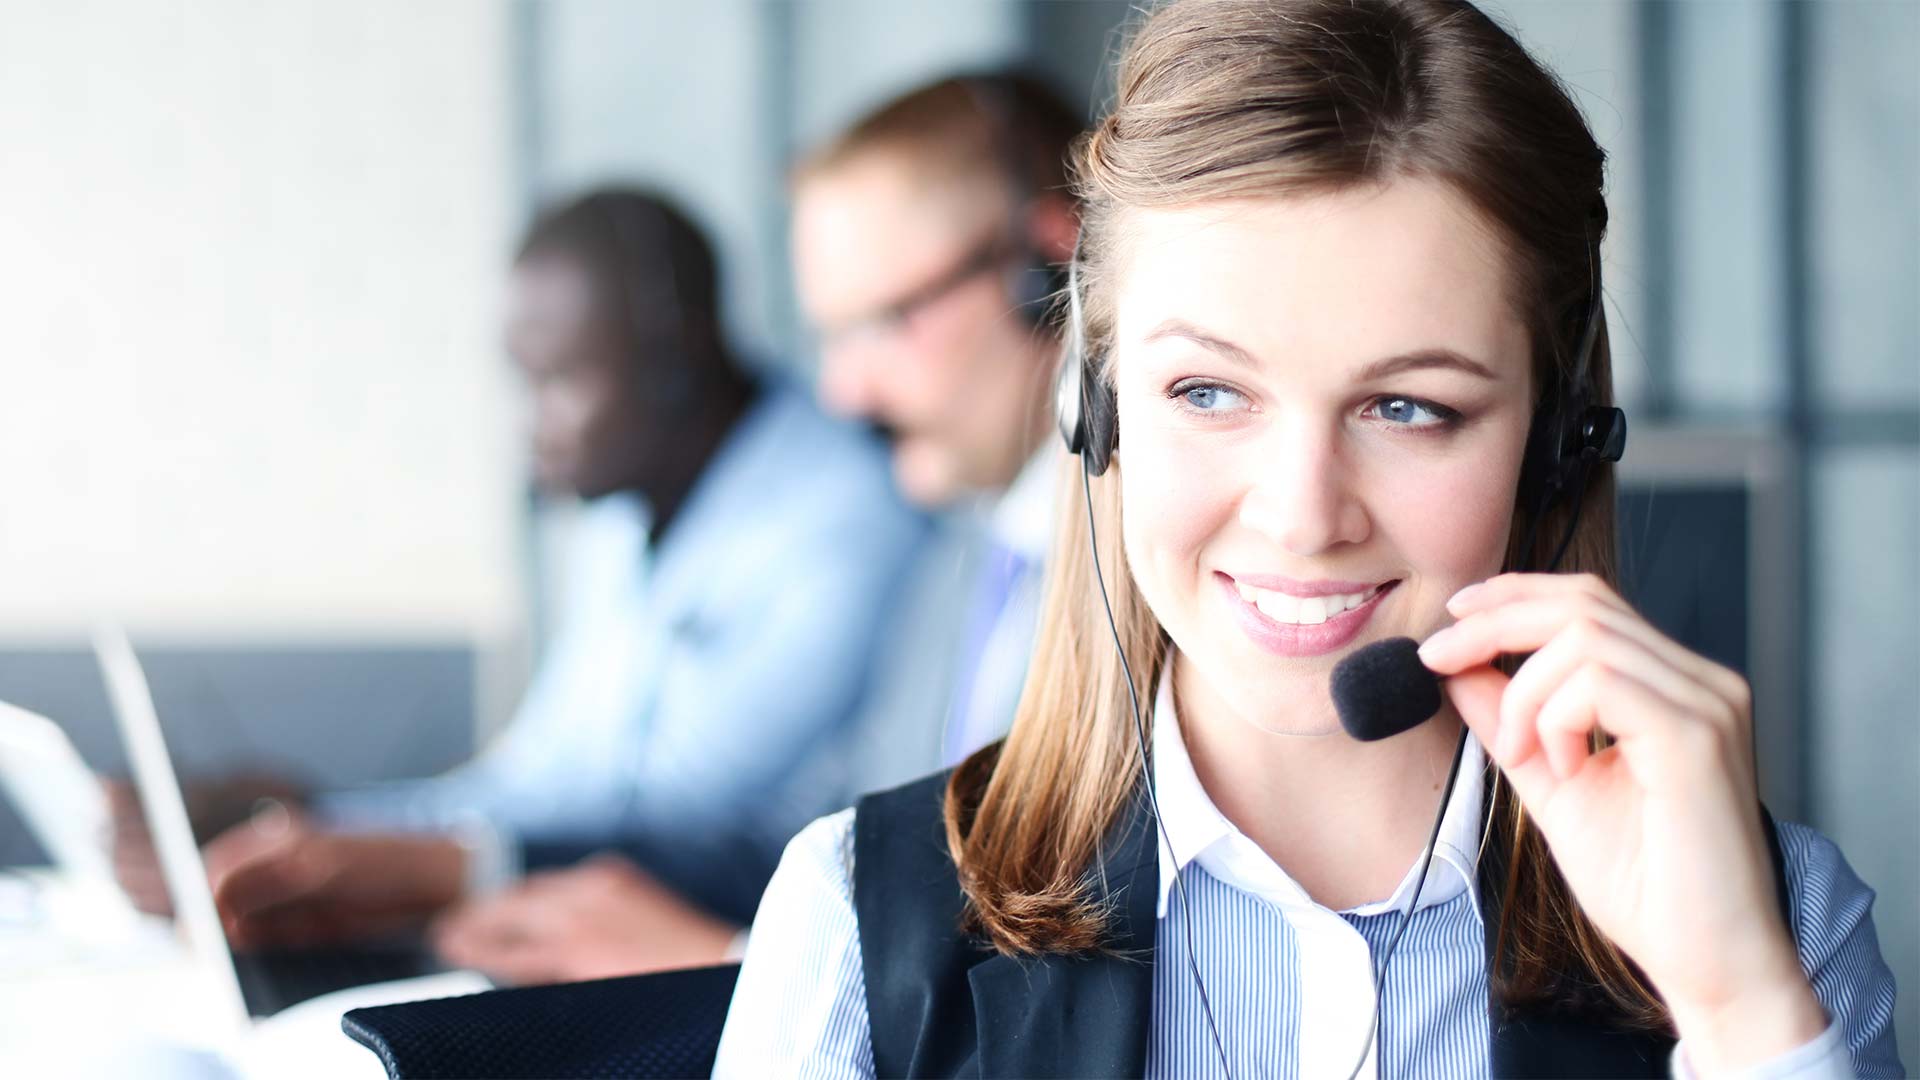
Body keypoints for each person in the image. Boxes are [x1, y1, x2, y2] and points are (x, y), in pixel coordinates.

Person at [713, 2, 1902, 1077]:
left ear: (1560, 440)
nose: (1300, 512)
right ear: (1096, 412)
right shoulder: (853, 925)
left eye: (1409, 408)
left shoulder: (1780, 924)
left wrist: (1740, 1012)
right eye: (1209, 393)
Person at [129, 188, 927, 968]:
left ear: (674, 362)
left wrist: (391, 851)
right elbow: (541, 775)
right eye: (525, 381)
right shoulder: (627, 506)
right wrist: (300, 827)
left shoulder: (847, 516)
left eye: (561, 383)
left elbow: (680, 824)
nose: (531, 427)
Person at [419, 74, 1087, 982]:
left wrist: (725, 962)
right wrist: (497, 874)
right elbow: (844, 848)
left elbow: (1055, 979)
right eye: (829, 338)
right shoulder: (965, 559)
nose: (843, 394)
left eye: (884, 323)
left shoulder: (1157, 576)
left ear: (1047, 267)